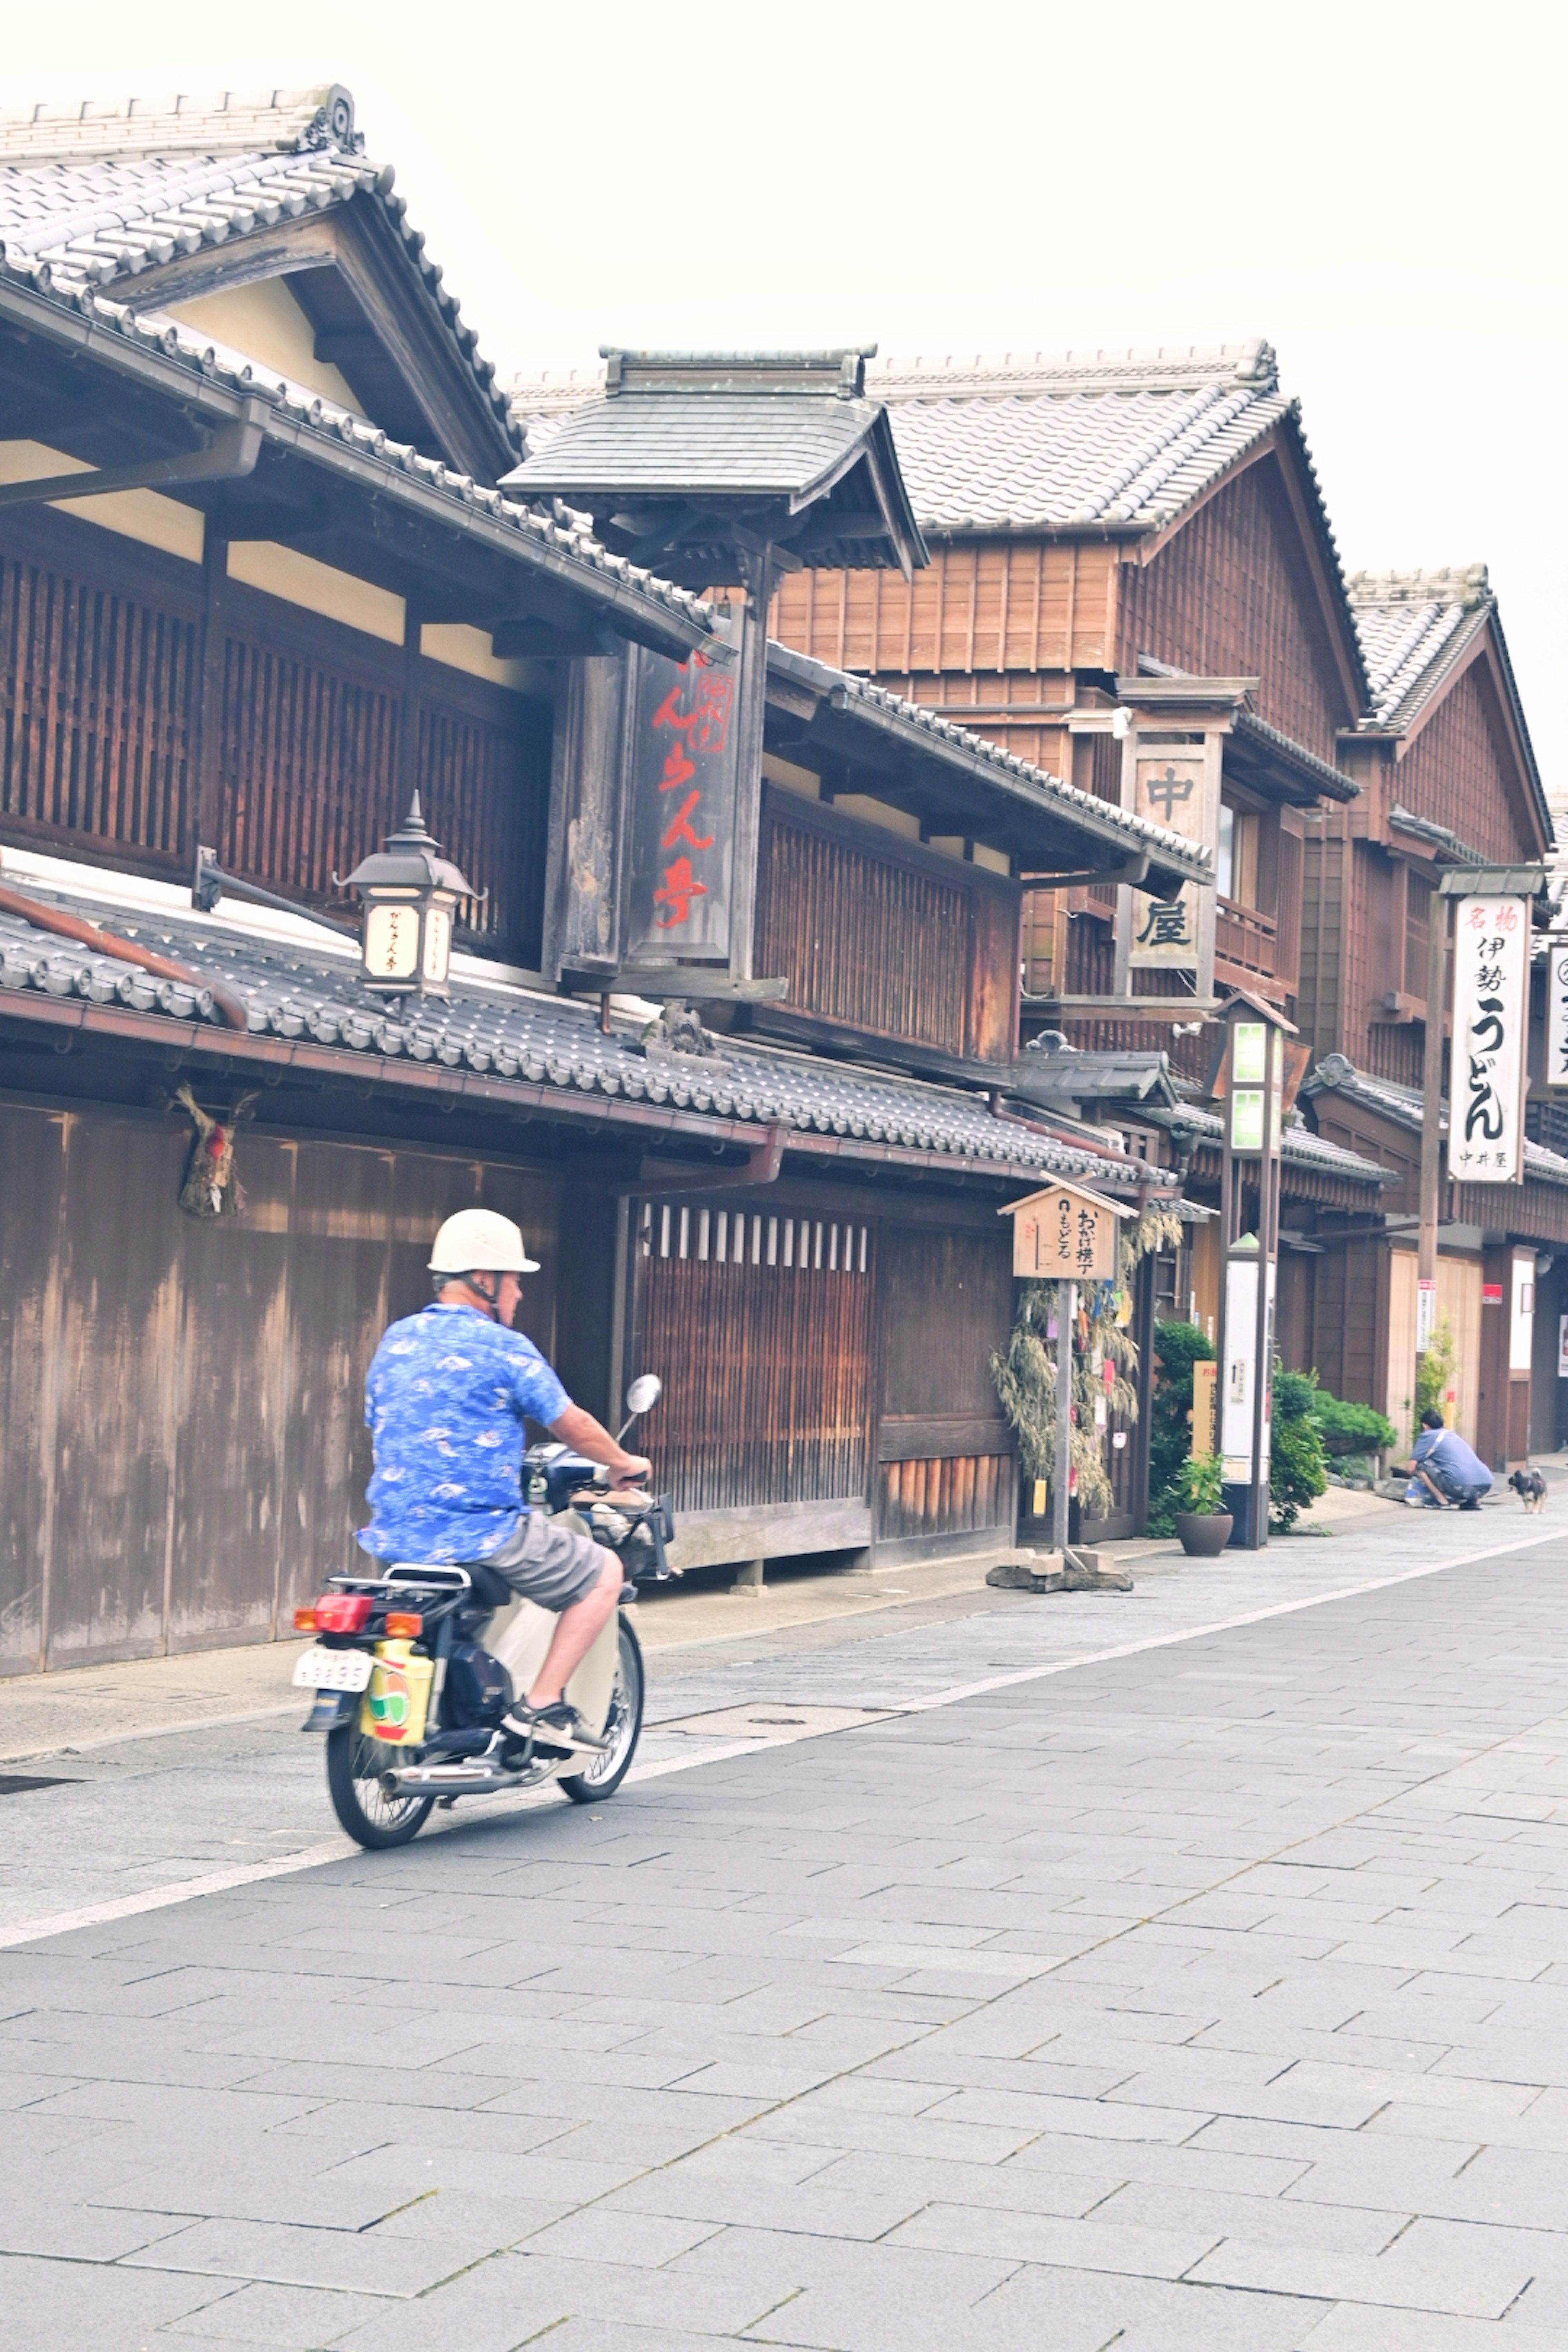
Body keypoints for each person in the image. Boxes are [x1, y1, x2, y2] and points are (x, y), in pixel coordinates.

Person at [359, 1209, 651, 1754]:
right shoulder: (502, 1347)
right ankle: (540, 1708)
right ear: (484, 1281)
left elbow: (379, 1419)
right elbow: (573, 1425)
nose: (519, 1295)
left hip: (396, 1531)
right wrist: (620, 1462)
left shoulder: (396, 1340)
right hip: (481, 1531)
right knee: (604, 1573)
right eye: (515, 1281)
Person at [1404, 1408, 1493, 1511]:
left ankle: (1442, 1502)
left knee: (1421, 1466)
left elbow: (1411, 1468)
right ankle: (1474, 1501)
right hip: (1485, 1486)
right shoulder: (1453, 1435)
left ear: (1425, 1425)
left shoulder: (1427, 1436)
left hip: (1460, 1488)